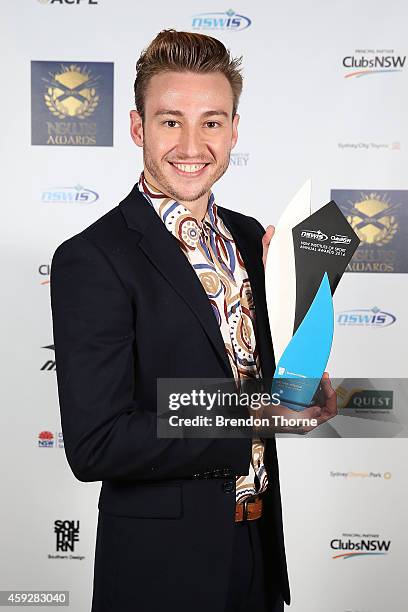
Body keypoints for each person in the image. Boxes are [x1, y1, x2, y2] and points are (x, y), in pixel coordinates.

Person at [50, 29, 337, 612]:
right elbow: (96, 444)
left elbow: (266, 389)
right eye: (169, 120)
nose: (191, 144)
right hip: (162, 570)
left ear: (233, 131)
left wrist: (304, 398)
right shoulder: (93, 257)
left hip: (258, 549)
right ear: (138, 129)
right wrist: (251, 415)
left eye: (211, 122)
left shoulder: (255, 237)